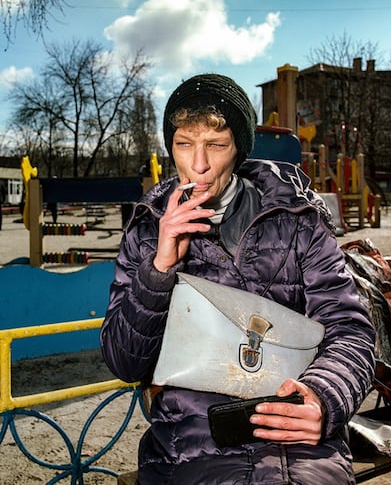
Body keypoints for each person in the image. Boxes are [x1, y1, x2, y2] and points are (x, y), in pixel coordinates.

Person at [100, 73, 375, 484]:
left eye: (216, 144)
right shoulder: (146, 228)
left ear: (239, 148)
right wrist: (158, 270)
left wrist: (324, 397)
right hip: (190, 445)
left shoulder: (295, 218)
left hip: (299, 442)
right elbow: (123, 361)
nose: (199, 164)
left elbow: (349, 329)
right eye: (184, 144)